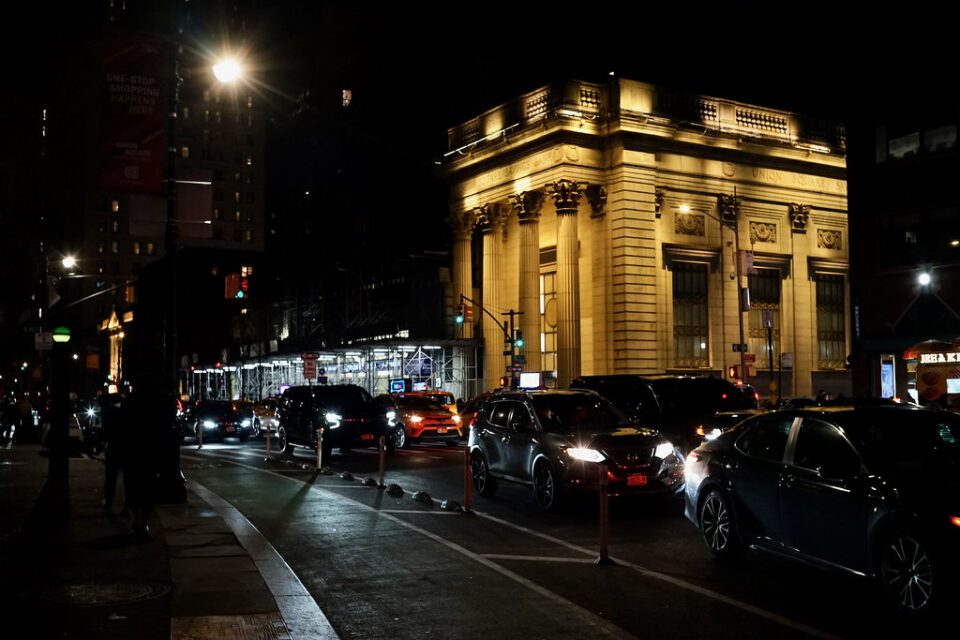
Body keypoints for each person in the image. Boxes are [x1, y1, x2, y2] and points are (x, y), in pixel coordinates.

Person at [100, 390, 125, 513]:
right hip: (125, 447)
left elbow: (105, 429)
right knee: (127, 479)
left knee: (110, 477)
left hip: (113, 447)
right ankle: (126, 506)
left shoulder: (110, 412)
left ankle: (109, 501)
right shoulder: (127, 412)